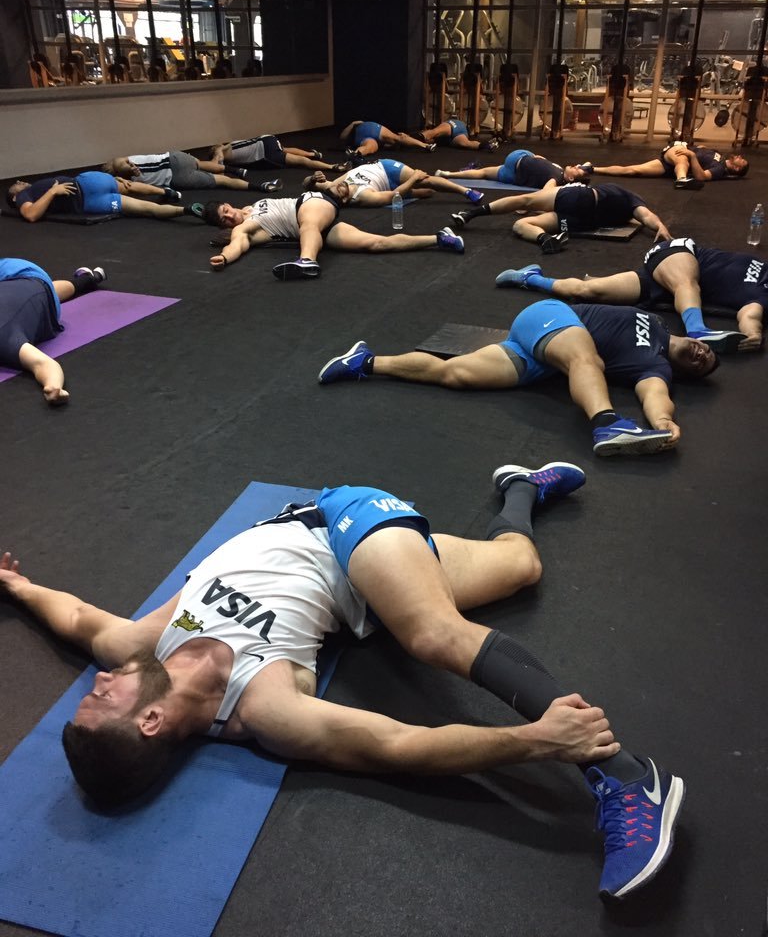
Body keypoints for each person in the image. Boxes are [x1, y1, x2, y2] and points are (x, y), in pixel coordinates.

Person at [0, 468, 685, 899]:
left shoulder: (138, 647)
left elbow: (76, 617)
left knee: (433, 634)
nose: (100, 681)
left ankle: (626, 776)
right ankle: (524, 489)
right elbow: (399, 747)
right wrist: (536, 740)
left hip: (337, 523)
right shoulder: (266, 710)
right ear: (150, 722)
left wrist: (16, 585)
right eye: (102, 698)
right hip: (364, 594)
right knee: (521, 567)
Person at [318, 299, 719, 456]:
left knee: (455, 373)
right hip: (553, 317)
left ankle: (366, 362)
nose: (701, 355)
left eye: (702, 365)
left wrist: (663, 421)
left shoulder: (656, 366)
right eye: (706, 350)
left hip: (543, 356)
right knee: (586, 358)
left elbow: (655, 394)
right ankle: (607, 423)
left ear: (686, 372)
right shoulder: (654, 319)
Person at [495, 237, 764, 354]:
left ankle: (529, 277)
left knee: (587, 291)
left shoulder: (762, 297)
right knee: (687, 283)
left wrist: (753, 334)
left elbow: (750, 314)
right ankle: (697, 330)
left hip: (661, 286)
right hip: (679, 254)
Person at [202, 187, 465, 278]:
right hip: (315, 225)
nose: (230, 216)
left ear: (229, 204)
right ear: (225, 226)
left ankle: (307, 260)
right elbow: (237, 245)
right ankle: (441, 238)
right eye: (225, 220)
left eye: (227, 210)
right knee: (376, 244)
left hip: (309, 205)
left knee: (308, 225)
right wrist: (225, 258)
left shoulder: (250, 208)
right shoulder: (242, 230)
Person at [450, 182, 671, 255]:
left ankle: (471, 214)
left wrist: (659, 225)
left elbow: (646, 214)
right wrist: (659, 227)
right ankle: (546, 239)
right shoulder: (631, 206)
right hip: (580, 222)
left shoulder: (631, 197)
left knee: (524, 200)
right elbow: (645, 216)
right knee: (520, 224)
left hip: (581, 198)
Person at [0, 257, 106, 405]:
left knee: (44, 289)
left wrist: (53, 385)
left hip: (19, 272)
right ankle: (88, 279)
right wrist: (53, 386)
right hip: (31, 288)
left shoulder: (5, 338)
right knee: (47, 292)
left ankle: (87, 279)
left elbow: (44, 364)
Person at [6, 173, 202, 223]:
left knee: (128, 185)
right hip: (88, 200)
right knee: (145, 208)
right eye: (16, 184)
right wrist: (52, 192)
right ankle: (187, 209)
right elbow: (31, 215)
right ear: (14, 198)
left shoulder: (32, 190)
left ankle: (166, 193)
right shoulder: (23, 196)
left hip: (88, 183)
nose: (20, 181)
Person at [303, 160, 485, 206]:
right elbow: (394, 195)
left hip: (384, 166)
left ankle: (466, 191)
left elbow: (306, 185)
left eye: (337, 186)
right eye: (340, 191)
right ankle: (416, 189)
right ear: (344, 200)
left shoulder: (334, 187)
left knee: (428, 184)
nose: (340, 186)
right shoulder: (363, 197)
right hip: (387, 179)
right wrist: (414, 178)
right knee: (425, 185)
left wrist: (312, 179)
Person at [589, 142, 749, 189]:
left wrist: (692, 155)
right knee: (683, 159)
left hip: (677, 160)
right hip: (677, 151)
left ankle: (591, 168)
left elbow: (702, 177)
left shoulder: (720, 170)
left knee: (632, 170)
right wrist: (696, 150)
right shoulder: (719, 156)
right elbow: (700, 148)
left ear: (736, 169)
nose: (740, 156)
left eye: (742, 161)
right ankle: (682, 179)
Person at [103, 153, 281, 195]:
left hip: (175, 172)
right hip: (174, 163)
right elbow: (125, 166)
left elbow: (125, 166)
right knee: (205, 167)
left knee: (218, 178)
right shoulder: (127, 169)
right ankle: (239, 173)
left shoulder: (127, 173)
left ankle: (258, 185)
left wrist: (129, 171)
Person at [434, 149, 592, 189]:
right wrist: (584, 170)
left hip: (514, 171)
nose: (576, 166)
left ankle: (449, 175)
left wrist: (527, 208)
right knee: (483, 173)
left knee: (484, 173)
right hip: (520, 159)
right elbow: (588, 164)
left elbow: (545, 193)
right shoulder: (559, 169)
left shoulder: (556, 179)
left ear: (571, 178)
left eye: (577, 170)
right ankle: (447, 174)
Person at [210, 136, 350, 174]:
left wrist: (215, 161)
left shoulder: (219, 152)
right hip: (266, 139)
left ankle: (332, 167)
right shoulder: (231, 144)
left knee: (301, 162)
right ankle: (312, 154)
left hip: (266, 152)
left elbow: (217, 163)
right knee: (284, 149)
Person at [340, 120, 436, 159]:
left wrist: (353, 124)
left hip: (364, 134)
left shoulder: (381, 143)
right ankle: (426, 146)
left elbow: (342, 137)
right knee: (397, 138)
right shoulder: (395, 139)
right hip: (368, 129)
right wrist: (353, 124)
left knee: (370, 148)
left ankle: (355, 154)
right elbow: (342, 137)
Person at [416, 119, 500, 152]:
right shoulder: (434, 141)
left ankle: (413, 138)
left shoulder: (432, 132)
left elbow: (430, 134)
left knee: (434, 132)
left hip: (455, 124)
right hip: (456, 136)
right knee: (465, 144)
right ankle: (488, 145)